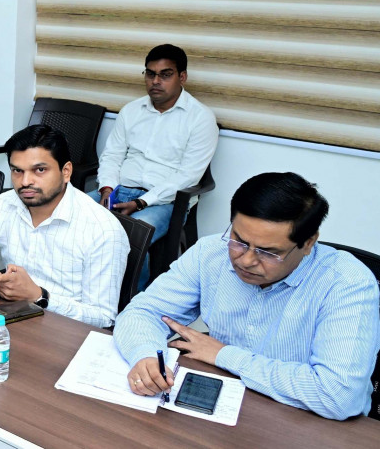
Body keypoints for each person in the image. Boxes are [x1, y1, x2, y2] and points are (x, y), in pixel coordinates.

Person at [116, 172, 379, 420]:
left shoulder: (346, 282)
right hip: (224, 401)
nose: (246, 260)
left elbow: (337, 395)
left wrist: (224, 355)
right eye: (239, 241)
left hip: (305, 420)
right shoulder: (211, 253)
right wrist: (145, 354)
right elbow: (143, 312)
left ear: (308, 242)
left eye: (269, 252)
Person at [0, 125, 129, 328]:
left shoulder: (103, 229)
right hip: (8, 320)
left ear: (66, 171)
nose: (25, 181)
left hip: (64, 332)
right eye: (17, 171)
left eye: (40, 170)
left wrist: (40, 296)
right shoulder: (3, 205)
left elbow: (103, 317)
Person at [91, 44, 218, 288]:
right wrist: (107, 189)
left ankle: (132, 300)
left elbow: (189, 175)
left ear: (182, 77)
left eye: (165, 74)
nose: (156, 81)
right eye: (150, 74)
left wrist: (142, 202)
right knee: (71, 212)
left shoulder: (200, 118)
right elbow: (112, 156)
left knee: (129, 236)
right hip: (119, 190)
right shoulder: (131, 110)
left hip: (165, 201)